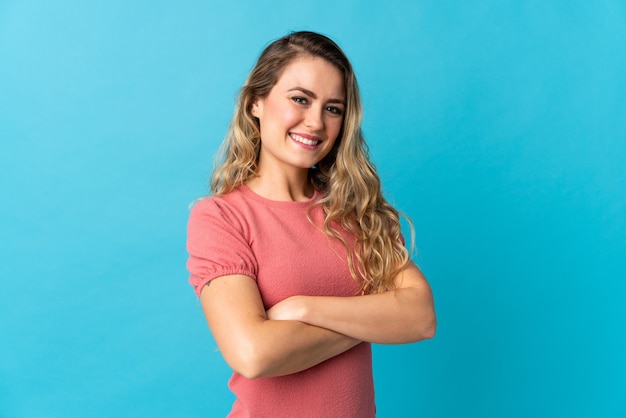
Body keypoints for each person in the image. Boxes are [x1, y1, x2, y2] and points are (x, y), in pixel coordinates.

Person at [186, 31, 436, 417]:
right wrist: (372, 318)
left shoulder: (357, 211)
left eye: (333, 108)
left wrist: (303, 309)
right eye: (300, 99)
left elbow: (420, 318)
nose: (316, 122)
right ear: (256, 103)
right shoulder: (221, 218)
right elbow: (253, 354)